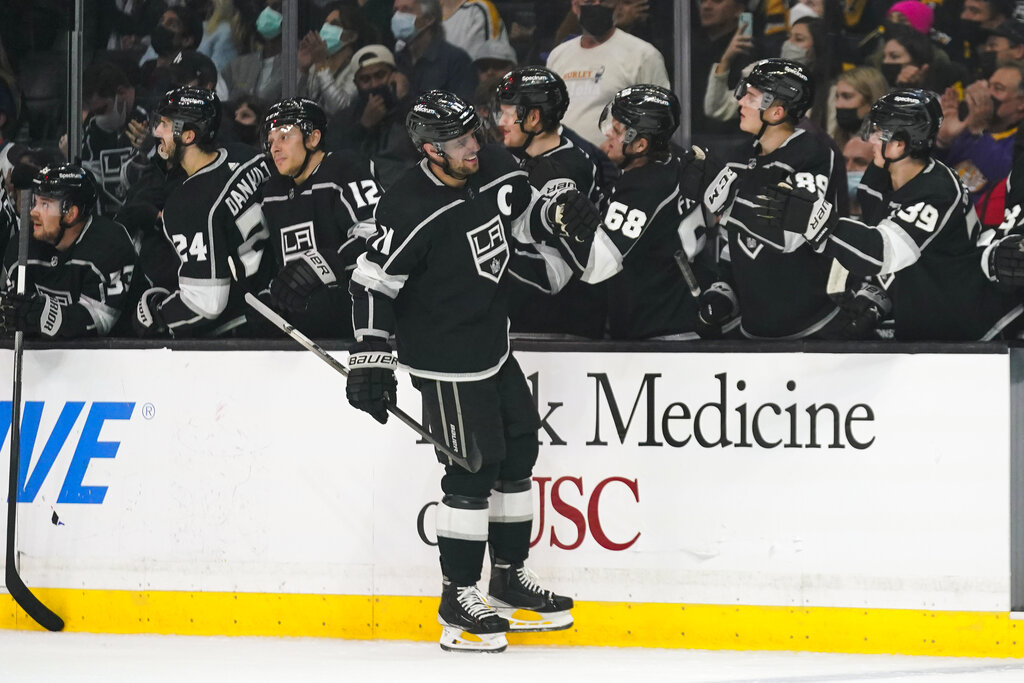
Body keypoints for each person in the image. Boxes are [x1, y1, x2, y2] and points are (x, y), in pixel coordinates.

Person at [346, 90, 600, 653]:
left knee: (517, 453)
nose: (472, 148)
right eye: (459, 143)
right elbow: (372, 283)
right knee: (472, 467)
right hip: (445, 355)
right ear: (430, 150)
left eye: (473, 135)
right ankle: (457, 599)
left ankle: (508, 580)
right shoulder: (409, 204)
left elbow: (525, 209)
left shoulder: (493, 165)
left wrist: (555, 212)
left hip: (492, 340)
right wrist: (369, 358)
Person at [767, 89, 1024, 340]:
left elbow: (885, 252)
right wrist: (875, 295)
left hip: (966, 325)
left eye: (878, 133)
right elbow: (884, 258)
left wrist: (818, 222)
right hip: (918, 322)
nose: (871, 140)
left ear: (900, 144)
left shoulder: (939, 191)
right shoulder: (876, 180)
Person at [701, 58, 846, 340]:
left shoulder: (812, 153)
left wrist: (730, 207)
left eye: (751, 97)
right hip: (753, 327)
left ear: (777, 111)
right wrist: (723, 287)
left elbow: (792, 233)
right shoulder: (739, 156)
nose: (740, 101)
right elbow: (733, 239)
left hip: (811, 327)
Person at [133, 86, 273, 338]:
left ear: (187, 136)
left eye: (165, 124)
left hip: (241, 330)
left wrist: (160, 315)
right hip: (275, 299)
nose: (156, 131)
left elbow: (205, 304)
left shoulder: (187, 204)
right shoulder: (247, 155)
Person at [494, 66, 607, 338]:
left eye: (509, 113)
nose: (501, 121)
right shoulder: (517, 158)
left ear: (534, 118)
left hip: (561, 328)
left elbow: (553, 274)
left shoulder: (570, 167)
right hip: (527, 319)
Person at [593, 84, 712, 339]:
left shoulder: (643, 188)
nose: (607, 137)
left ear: (640, 145)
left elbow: (598, 264)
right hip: (682, 312)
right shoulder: (677, 159)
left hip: (658, 331)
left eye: (616, 131)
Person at [259, 98, 381, 338]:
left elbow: (379, 235)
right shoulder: (272, 192)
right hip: (303, 321)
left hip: (357, 309)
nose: (275, 148)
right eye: (271, 141)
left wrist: (327, 263)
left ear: (313, 138)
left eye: (284, 137)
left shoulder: (345, 168)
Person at [0, 164, 136, 339]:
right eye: (35, 202)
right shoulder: (21, 246)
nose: (33, 211)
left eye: (45, 204)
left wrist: (45, 315)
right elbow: (12, 312)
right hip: (49, 360)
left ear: (71, 214)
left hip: (122, 360)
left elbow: (99, 323)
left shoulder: (110, 246)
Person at [545, 0, 670, 147]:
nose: (597, 5)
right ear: (575, 5)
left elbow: (659, 118)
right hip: (562, 161)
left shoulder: (643, 55)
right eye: (590, 1)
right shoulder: (558, 55)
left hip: (616, 165)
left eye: (605, 1)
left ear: (617, 4)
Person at [324, 44, 417, 189]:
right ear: (356, 83)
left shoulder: (414, 108)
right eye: (365, 79)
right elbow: (335, 161)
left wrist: (404, 101)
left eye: (380, 75)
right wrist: (363, 126)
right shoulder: (345, 117)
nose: (374, 84)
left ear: (394, 75)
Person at [391, 0, 477, 104]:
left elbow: (461, 113)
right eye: (396, 10)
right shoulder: (396, 61)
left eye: (406, 9)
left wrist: (406, 97)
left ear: (429, 19)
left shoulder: (455, 61)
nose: (398, 16)